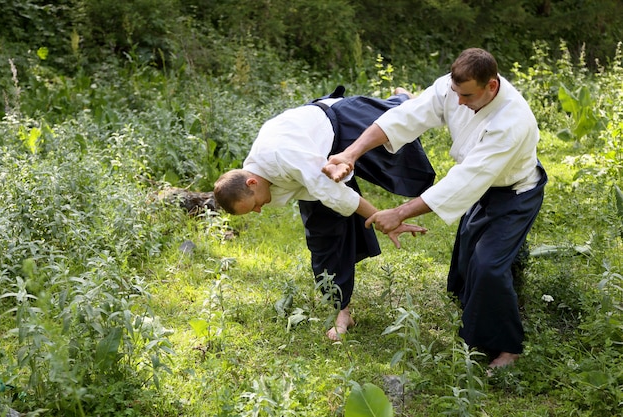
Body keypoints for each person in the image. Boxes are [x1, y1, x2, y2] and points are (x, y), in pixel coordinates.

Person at [322, 48, 547, 369]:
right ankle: (476, 317)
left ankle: (508, 348)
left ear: (492, 87)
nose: (458, 102)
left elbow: (464, 182)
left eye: (467, 95)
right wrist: (351, 153)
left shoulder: (512, 121)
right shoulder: (452, 88)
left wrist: (399, 213)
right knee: (468, 260)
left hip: (516, 193)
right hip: (482, 186)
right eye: (455, 93)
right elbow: (402, 118)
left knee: (488, 266)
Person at [214, 87, 435, 341]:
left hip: (339, 123)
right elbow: (324, 191)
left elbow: (335, 193)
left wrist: (386, 220)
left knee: (400, 142)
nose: (259, 210)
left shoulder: (282, 155)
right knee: (323, 243)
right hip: (315, 172)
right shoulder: (257, 177)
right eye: (252, 211)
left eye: (253, 206)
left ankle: (403, 99)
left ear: (252, 183)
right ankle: (343, 312)